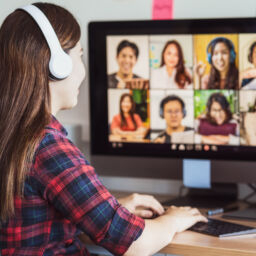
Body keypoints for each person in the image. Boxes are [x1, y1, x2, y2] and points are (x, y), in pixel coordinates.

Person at [0, 3, 207, 256]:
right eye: (80, 55)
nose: (83, 69)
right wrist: (174, 218)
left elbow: (44, 218)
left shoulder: (12, 132)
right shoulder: (49, 147)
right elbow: (134, 244)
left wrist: (112, 207)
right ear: (58, 65)